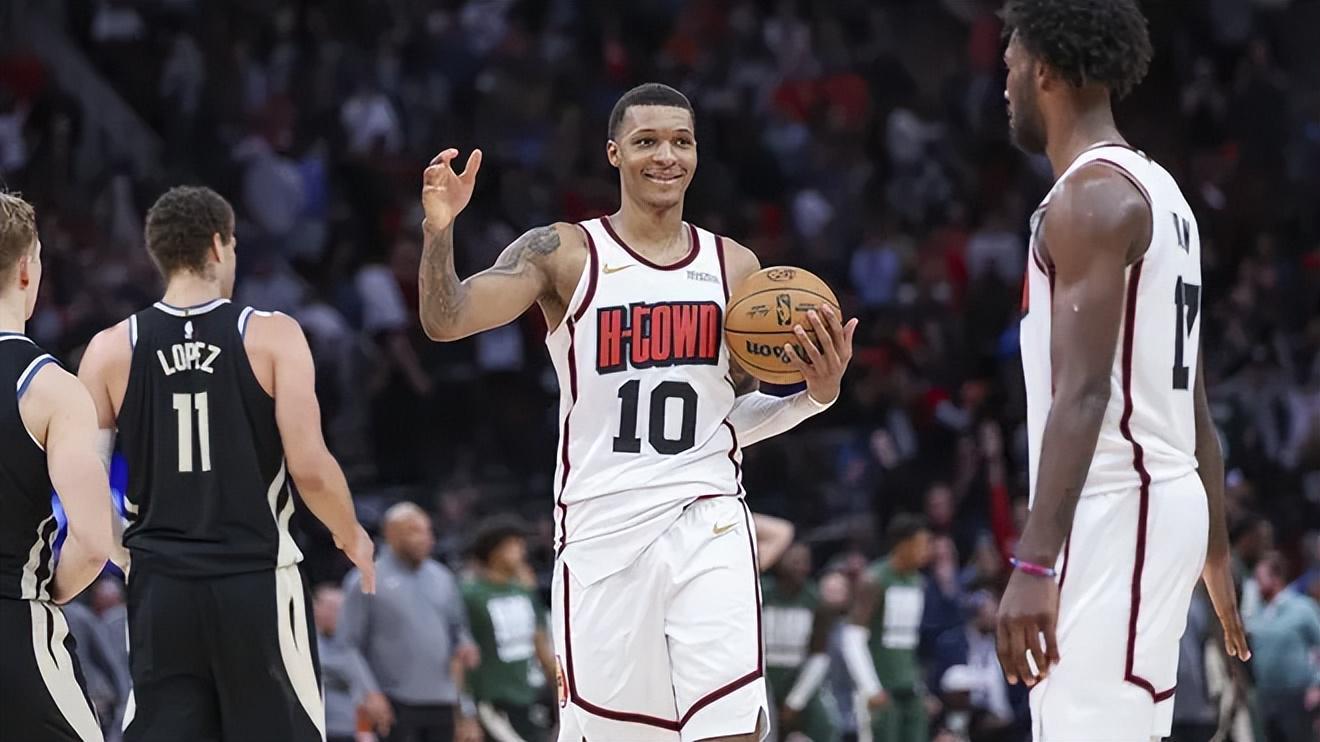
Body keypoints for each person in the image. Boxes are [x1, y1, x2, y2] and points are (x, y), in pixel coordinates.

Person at [416, 82, 857, 742]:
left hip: (707, 517)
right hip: (602, 531)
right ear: (614, 153)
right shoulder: (563, 252)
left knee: (732, 728)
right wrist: (439, 229)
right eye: (647, 141)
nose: (666, 156)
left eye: (682, 141)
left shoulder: (734, 266)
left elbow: (729, 415)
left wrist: (815, 393)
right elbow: (446, 319)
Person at [994, 2, 1251, 740]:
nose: (1005, 85)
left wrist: (1034, 563)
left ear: (1045, 71)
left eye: (1011, 66)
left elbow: (1084, 393)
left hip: (1118, 506)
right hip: (1155, 503)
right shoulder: (1164, 193)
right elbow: (1192, 400)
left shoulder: (1090, 199)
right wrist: (1215, 549)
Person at [77, 185, 377, 742]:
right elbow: (309, 466)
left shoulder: (109, 348)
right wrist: (350, 532)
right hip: (255, 578)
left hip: (161, 587)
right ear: (219, 245)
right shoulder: (273, 334)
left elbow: (86, 486)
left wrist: (127, 553)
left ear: (160, 253)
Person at [0, 191, 114, 741]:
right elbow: (92, 544)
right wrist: (44, 589)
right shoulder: (51, 388)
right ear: (27, 270)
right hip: (12, 628)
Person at [340, 502, 481, 742]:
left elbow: (458, 629)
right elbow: (348, 645)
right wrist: (369, 692)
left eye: (428, 530)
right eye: (414, 531)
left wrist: (466, 645)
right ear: (390, 534)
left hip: (442, 698)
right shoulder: (365, 579)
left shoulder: (443, 577)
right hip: (394, 700)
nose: (426, 538)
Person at [461, 517, 556, 742]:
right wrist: (465, 711)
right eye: (515, 545)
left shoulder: (525, 592)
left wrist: (560, 688)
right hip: (492, 700)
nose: (522, 551)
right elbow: (461, 655)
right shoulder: (470, 595)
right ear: (495, 551)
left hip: (530, 694)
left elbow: (541, 645)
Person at [841, 513, 933, 742]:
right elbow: (851, 637)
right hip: (880, 686)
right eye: (921, 545)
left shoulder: (918, 581)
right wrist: (870, 688)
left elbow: (910, 642)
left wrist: (921, 686)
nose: (927, 551)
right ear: (902, 545)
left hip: (909, 686)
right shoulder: (874, 579)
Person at [761, 543, 840, 742]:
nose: (799, 566)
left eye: (805, 561)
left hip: (797, 677)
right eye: (794, 560)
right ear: (779, 561)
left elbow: (819, 656)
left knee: (826, 725)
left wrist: (796, 700)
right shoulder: (761, 593)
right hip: (763, 678)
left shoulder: (816, 600)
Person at [1245, 551, 1320, 742]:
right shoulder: (1258, 613)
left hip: (1297, 696)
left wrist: (1317, 684)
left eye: (1260, 578)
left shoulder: (1302, 608)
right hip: (1267, 696)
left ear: (1276, 578)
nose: (1256, 584)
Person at [314, 584, 392, 742]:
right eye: (329, 607)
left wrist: (365, 729)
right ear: (315, 608)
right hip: (318, 729)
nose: (334, 614)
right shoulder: (306, 645)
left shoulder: (351, 650)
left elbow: (368, 693)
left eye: (339, 609)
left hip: (350, 731)